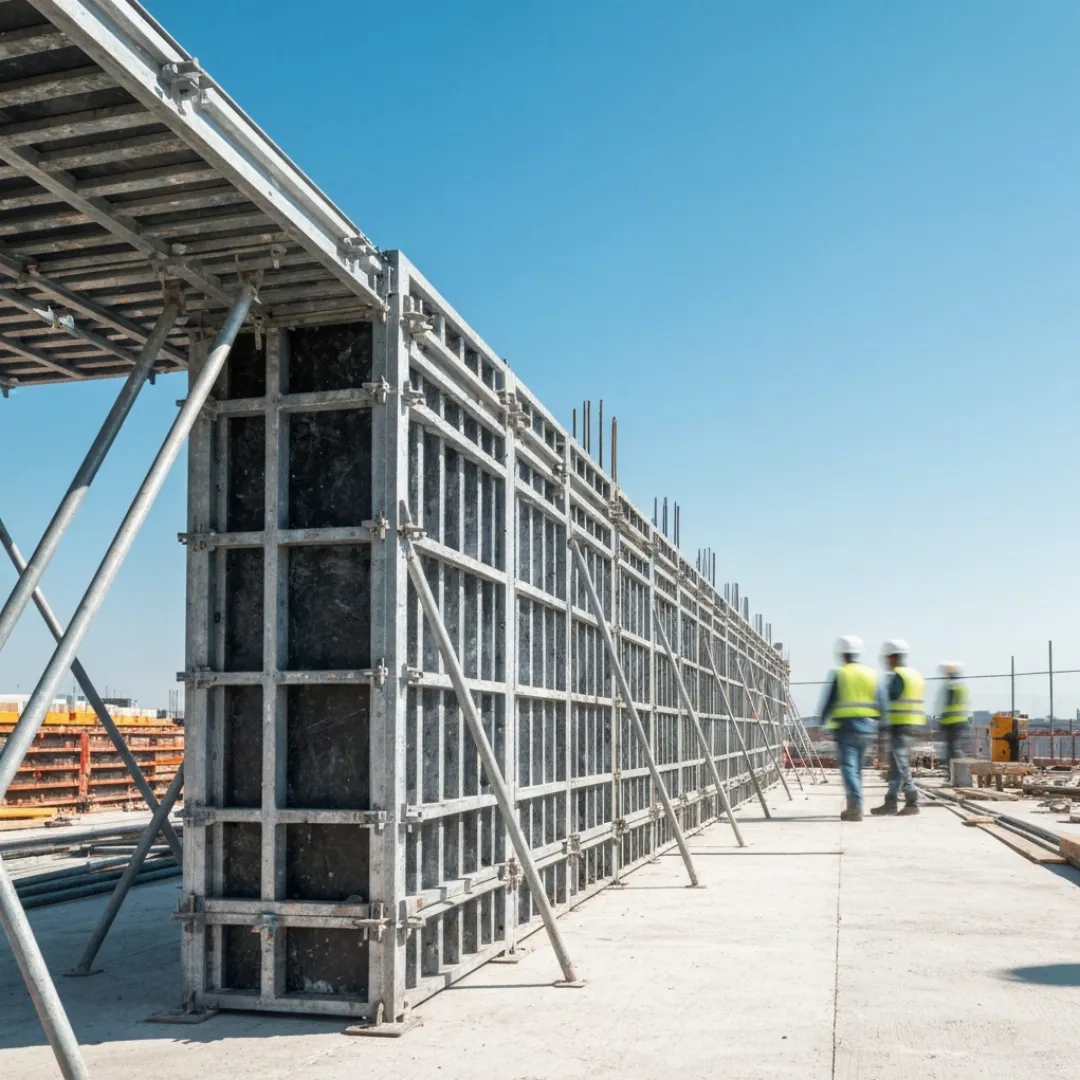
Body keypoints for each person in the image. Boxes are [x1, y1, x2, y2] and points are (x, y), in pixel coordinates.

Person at [818, 635, 880, 822]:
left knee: (848, 768)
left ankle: (855, 807)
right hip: (866, 727)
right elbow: (879, 702)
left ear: (841, 653)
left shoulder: (841, 674)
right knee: (857, 769)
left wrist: (822, 720)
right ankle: (855, 804)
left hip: (846, 727)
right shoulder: (870, 674)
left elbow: (830, 701)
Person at [871, 639, 925, 816]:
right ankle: (891, 802)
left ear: (892, 657)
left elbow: (888, 701)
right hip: (910, 722)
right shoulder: (914, 674)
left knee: (900, 762)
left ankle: (912, 798)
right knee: (895, 765)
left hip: (898, 723)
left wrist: (874, 712)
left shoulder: (897, 676)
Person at [937, 661, 971, 777]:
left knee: (953, 749)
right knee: (952, 748)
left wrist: (941, 721)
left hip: (953, 722)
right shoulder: (960, 687)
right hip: (959, 722)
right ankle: (954, 774)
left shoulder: (952, 687)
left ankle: (960, 774)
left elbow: (947, 706)